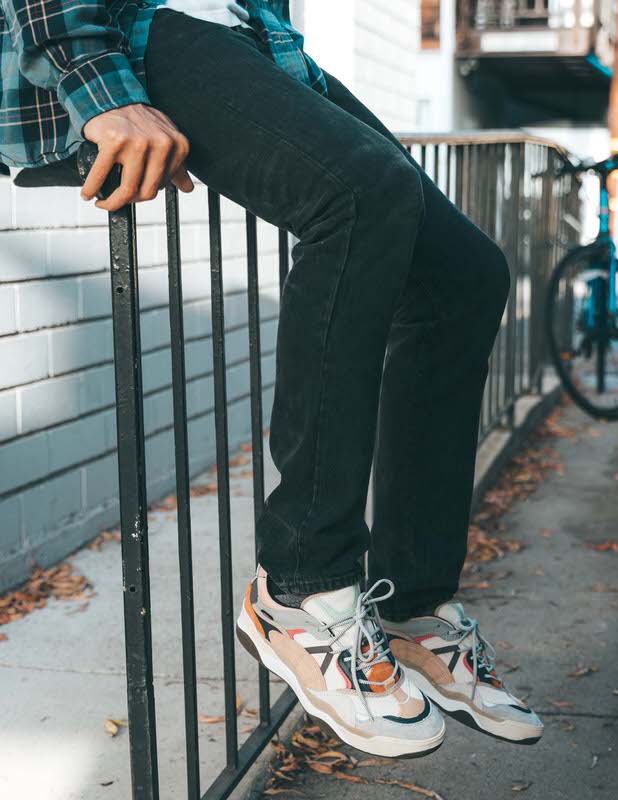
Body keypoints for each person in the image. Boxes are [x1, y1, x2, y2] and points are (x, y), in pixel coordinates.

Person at [1, 0, 543, 757]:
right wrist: (97, 83)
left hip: (251, 38)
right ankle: (301, 591)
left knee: (464, 274)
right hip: (130, 26)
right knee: (359, 195)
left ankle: (411, 610)